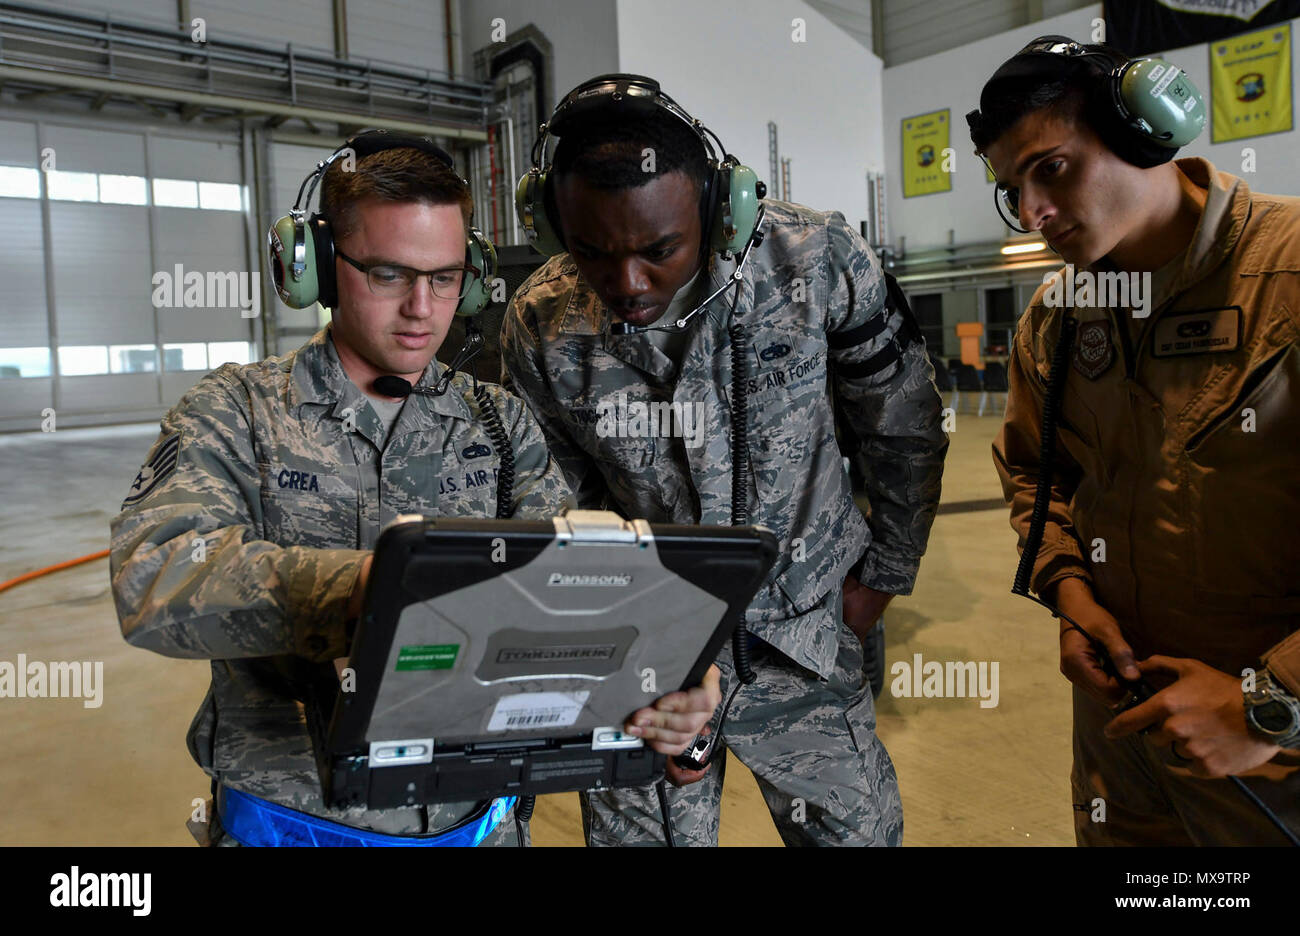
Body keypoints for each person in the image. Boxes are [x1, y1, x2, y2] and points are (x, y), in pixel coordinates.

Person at [110, 132, 721, 847]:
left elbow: (576, 593)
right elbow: (153, 581)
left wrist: (671, 693)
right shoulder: (239, 412)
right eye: (388, 274)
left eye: (445, 277)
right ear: (318, 268)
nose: (422, 310)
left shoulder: (498, 423)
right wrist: (367, 590)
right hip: (296, 828)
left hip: (476, 825)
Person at [502, 75, 948, 846]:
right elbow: (550, 508)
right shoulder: (541, 325)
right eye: (592, 253)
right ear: (551, 226)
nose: (628, 283)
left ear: (718, 205)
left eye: (658, 249)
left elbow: (903, 425)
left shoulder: (813, 261)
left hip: (806, 644)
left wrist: (885, 572)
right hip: (646, 663)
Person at [972, 37, 1300, 845]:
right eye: (1013, 189)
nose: (1034, 211)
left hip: (1273, 755)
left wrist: (1272, 703)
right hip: (1122, 736)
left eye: (1050, 167)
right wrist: (1071, 593)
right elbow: (1035, 473)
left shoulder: (1288, 278)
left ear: (1146, 128)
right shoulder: (1057, 316)